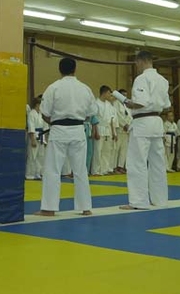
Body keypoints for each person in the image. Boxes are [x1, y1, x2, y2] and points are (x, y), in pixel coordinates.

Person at [38, 57, 98, 216]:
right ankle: (85, 207)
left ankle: (49, 208)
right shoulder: (85, 88)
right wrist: (78, 120)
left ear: (60, 70)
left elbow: (45, 112)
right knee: (80, 170)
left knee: (53, 170)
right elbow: (91, 113)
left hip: (58, 130)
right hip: (78, 130)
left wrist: (55, 123)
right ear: (75, 69)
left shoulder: (53, 88)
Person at [120, 51, 171, 209]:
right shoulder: (163, 80)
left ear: (141, 61)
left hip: (142, 122)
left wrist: (127, 102)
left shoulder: (142, 78)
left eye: (136, 63)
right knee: (158, 162)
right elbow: (167, 105)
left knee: (137, 162)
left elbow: (140, 103)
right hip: (156, 122)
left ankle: (138, 201)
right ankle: (160, 200)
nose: (136, 66)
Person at [91, 85, 116, 176]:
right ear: (104, 93)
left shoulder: (108, 105)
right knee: (98, 151)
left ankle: (104, 170)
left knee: (107, 151)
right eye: (109, 93)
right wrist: (96, 131)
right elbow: (94, 118)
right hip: (99, 127)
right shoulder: (96, 103)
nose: (110, 95)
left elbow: (111, 120)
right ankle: (96, 171)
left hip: (108, 129)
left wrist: (113, 132)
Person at [26, 95, 46, 180]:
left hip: (41, 136)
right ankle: (30, 174)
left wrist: (45, 140)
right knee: (32, 155)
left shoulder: (41, 114)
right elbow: (31, 127)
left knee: (41, 156)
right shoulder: (31, 114)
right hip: (34, 136)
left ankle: (38, 173)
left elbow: (45, 127)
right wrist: (32, 139)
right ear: (37, 104)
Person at [113, 89, 131, 174]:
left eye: (126, 95)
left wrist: (129, 125)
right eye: (123, 95)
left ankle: (120, 166)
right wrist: (124, 124)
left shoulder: (126, 105)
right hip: (119, 129)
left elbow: (130, 116)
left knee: (124, 150)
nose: (125, 96)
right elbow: (117, 116)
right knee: (116, 149)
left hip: (126, 131)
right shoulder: (115, 103)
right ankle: (114, 167)